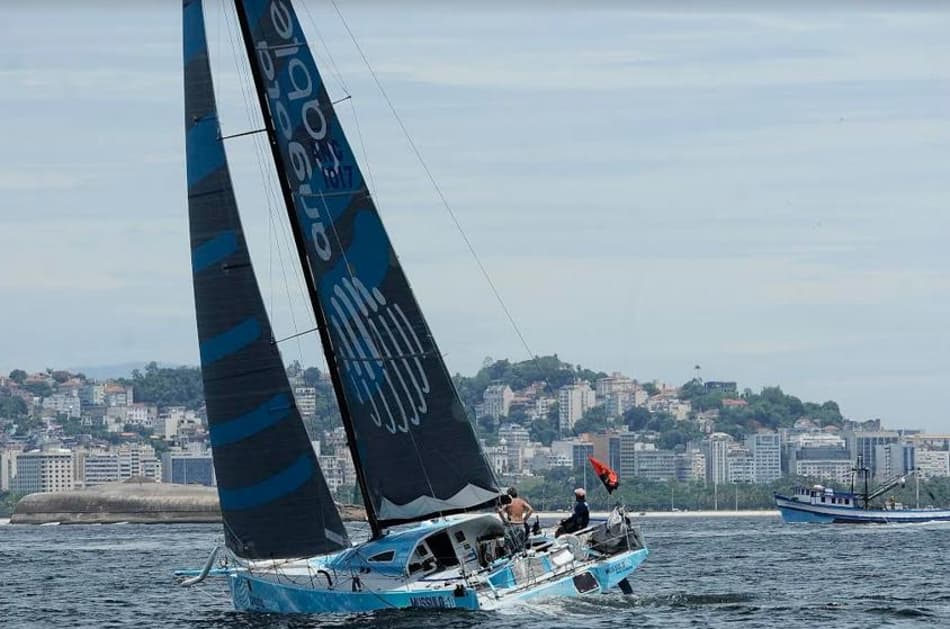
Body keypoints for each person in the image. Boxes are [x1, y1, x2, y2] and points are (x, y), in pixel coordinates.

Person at [498, 487, 534, 553]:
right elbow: (531, 509)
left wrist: (504, 520)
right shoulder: (521, 501)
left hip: (511, 525)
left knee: (509, 546)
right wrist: (524, 519)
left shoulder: (509, 502)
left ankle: (510, 557)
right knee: (521, 545)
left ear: (509, 495)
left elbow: (500, 511)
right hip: (520, 525)